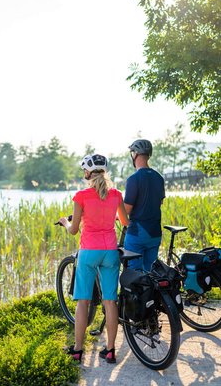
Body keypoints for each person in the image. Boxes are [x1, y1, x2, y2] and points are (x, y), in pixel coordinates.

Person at [58, 154, 129, 365]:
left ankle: (78, 350)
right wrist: (110, 216)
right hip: (110, 252)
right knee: (110, 300)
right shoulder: (116, 194)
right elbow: (125, 221)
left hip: (89, 251)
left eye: (84, 171)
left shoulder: (81, 196)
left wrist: (64, 222)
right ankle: (110, 351)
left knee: (83, 301)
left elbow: (73, 230)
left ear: (88, 173)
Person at [124, 139, 165, 272]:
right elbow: (159, 203)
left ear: (135, 154)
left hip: (137, 233)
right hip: (155, 233)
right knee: (151, 273)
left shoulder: (133, 179)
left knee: (134, 273)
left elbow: (127, 210)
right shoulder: (159, 178)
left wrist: (115, 215)